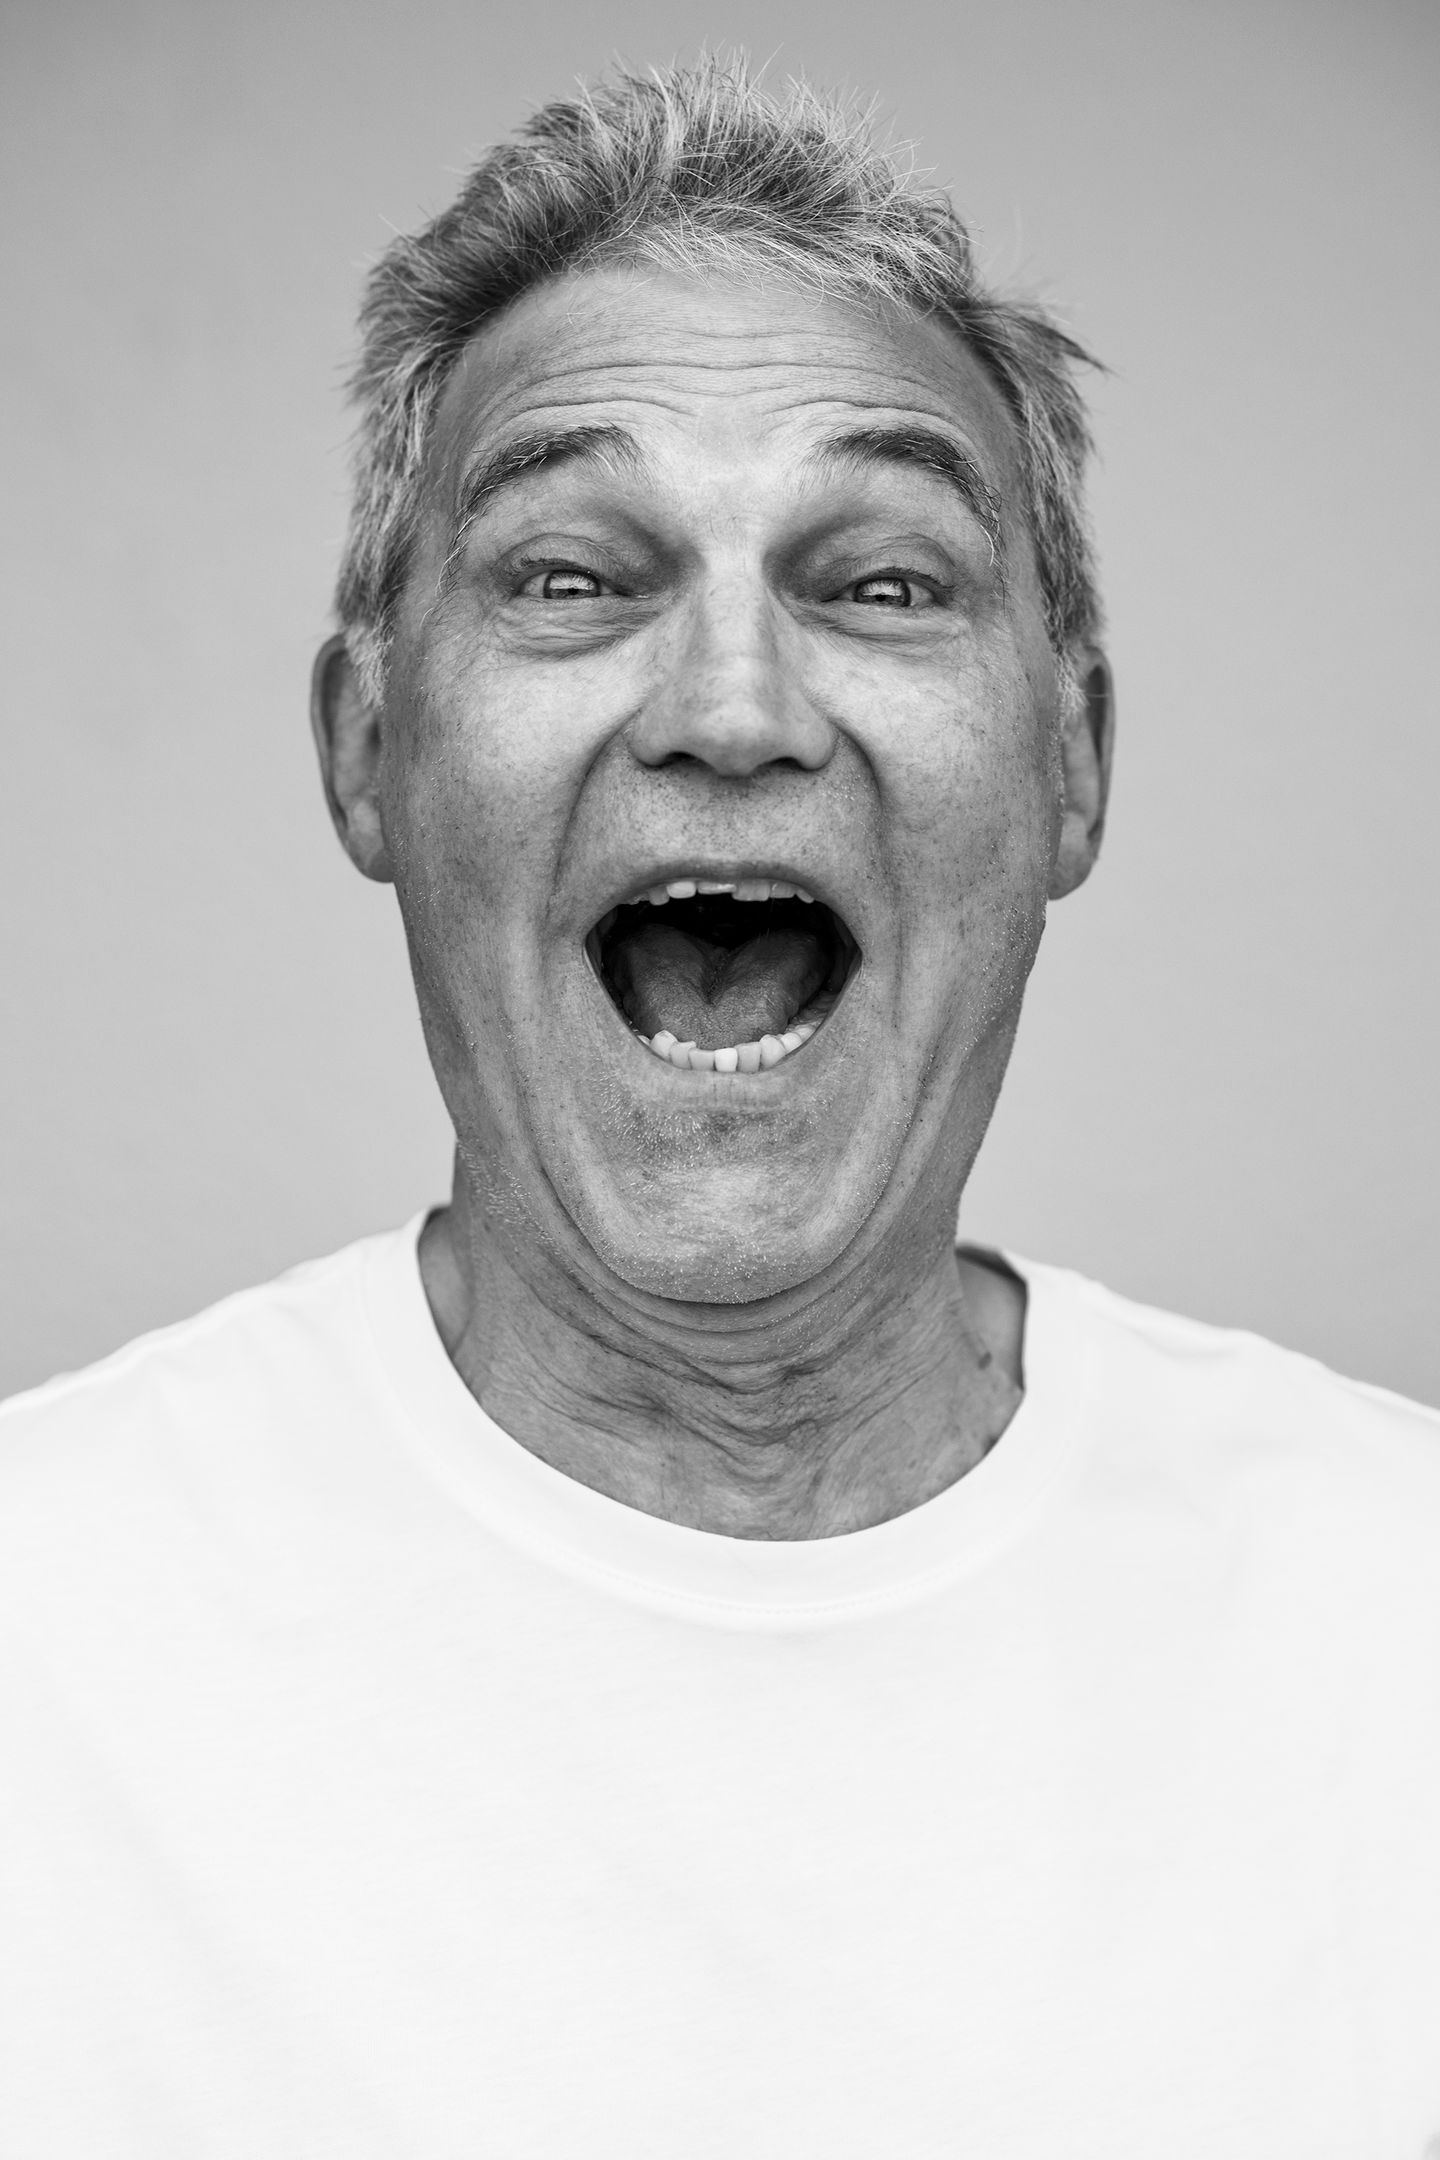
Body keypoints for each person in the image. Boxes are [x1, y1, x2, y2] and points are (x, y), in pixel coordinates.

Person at [2, 58, 1437, 2160]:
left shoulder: (1401, 1623)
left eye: (883, 583)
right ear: (370, 750)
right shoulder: (39, 1637)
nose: (734, 709)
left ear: (1073, 765)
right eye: (572, 577)